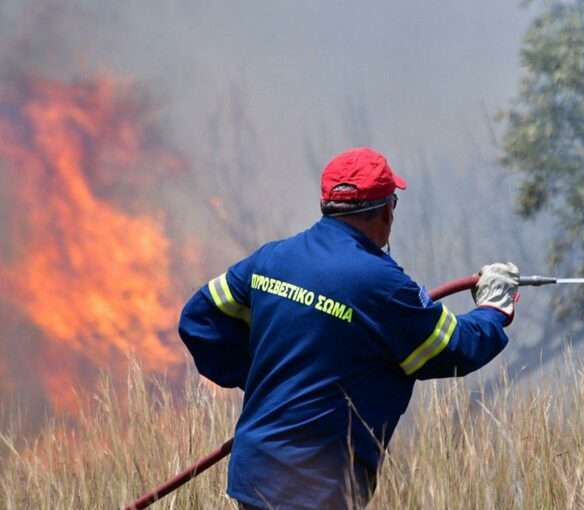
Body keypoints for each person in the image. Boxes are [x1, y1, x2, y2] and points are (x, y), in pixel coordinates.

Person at [178, 147, 520, 509]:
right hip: (316, 486)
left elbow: (199, 320)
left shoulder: (271, 258)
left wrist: (266, 381)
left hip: (255, 473)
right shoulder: (382, 285)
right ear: (386, 210)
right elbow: (454, 347)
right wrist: (494, 308)